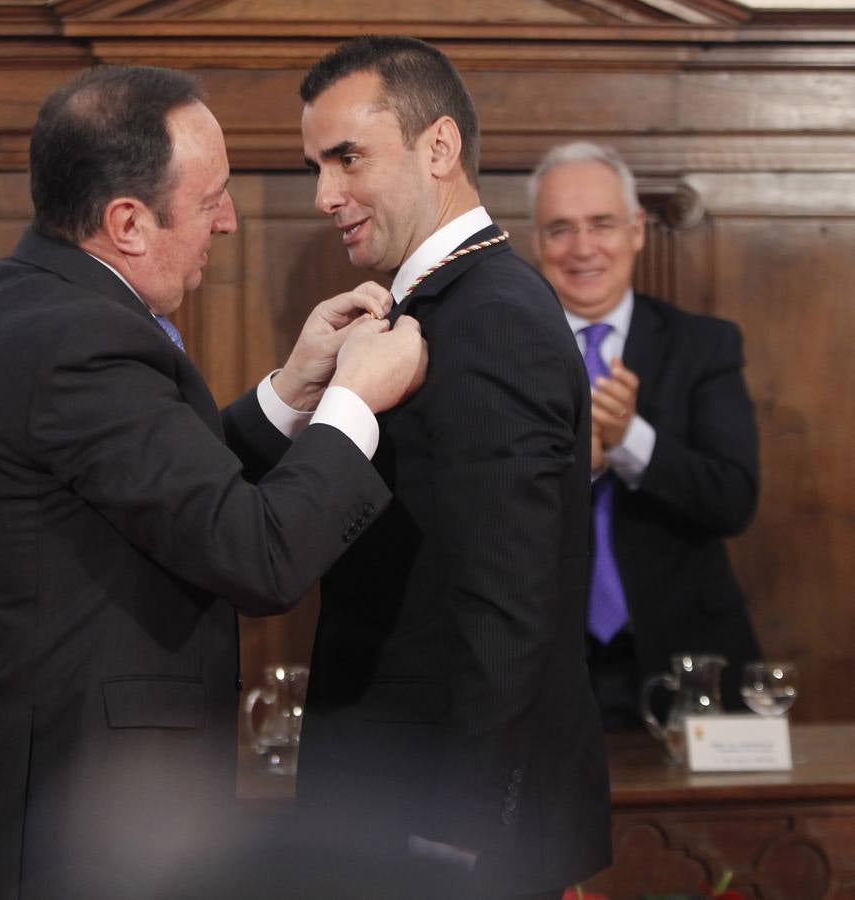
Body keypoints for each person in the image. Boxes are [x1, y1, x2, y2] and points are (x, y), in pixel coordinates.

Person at [0, 65, 427, 900]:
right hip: (76, 824)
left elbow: (156, 492)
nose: (227, 223)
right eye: (210, 201)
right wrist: (355, 402)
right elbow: (255, 556)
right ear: (127, 222)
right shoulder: (78, 339)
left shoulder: (24, 302)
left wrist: (291, 392)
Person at [291, 36, 611, 900]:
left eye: (347, 158)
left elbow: (509, 596)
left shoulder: (489, 313)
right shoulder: (444, 303)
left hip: (436, 826)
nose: (325, 195)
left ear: (439, 147)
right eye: (317, 166)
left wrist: (457, 828)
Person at [528, 141, 761, 731]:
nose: (583, 248)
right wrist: (580, 461)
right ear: (536, 243)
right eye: (560, 229)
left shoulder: (704, 345)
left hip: (690, 663)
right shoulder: (505, 355)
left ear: (635, 230)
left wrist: (628, 436)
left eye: (601, 224)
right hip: (542, 669)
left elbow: (733, 500)